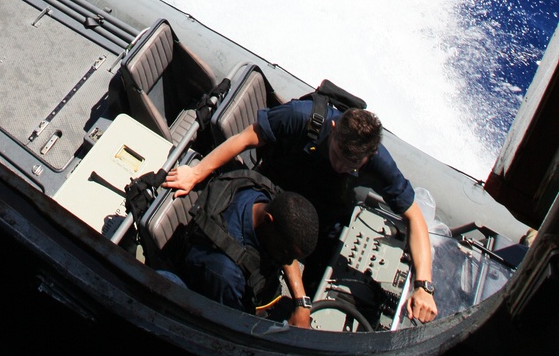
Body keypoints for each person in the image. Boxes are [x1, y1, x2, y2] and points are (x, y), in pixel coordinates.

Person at [166, 98, 438, 326]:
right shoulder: (300, 117)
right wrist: (196, 173)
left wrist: (423, 286)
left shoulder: (379, 162)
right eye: (336, 156)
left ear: (371, 155)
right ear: (332, 129)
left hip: (315, 226)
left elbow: (414, 217)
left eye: (352, 164)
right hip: (274, 211)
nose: (341, 167)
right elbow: (245, 138)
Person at [181, 169, 319, 318]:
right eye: (286, 254)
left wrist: (301, 304)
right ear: (268, 221)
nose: (288, 263)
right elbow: (230, 325)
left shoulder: (264, 195)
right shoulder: (226, 273)